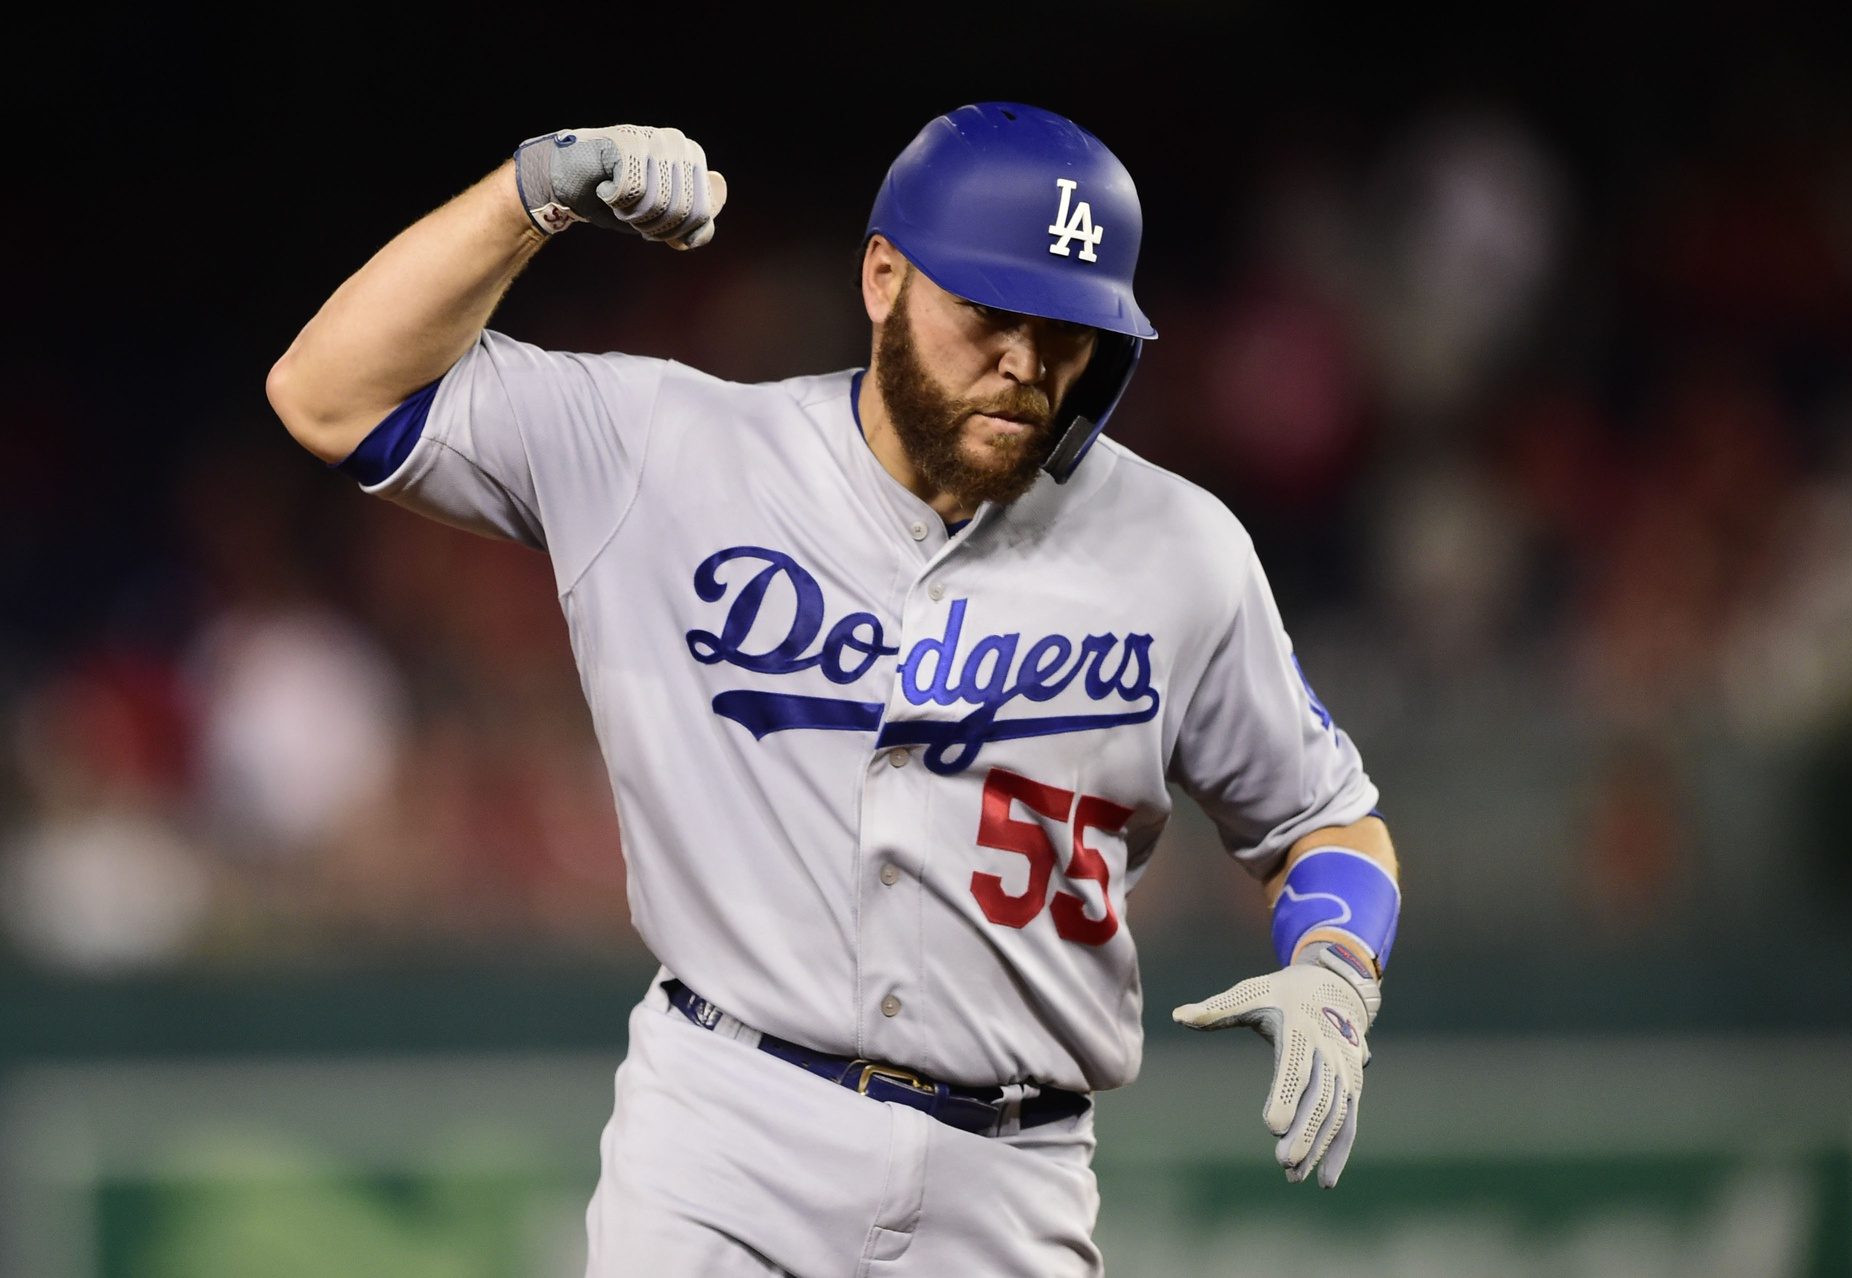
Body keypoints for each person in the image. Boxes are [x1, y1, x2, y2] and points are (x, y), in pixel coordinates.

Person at [265, 103, 1402, 1277]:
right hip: (724, 1132)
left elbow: (1323, 819)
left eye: (1068, 331)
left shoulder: (1178, 549)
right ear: (882, 279)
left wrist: (1334, 963)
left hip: (1011, 1176)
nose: (1026, 362)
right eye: (989, 313)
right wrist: (534, 190)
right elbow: (329, 393)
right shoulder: (674, 449)